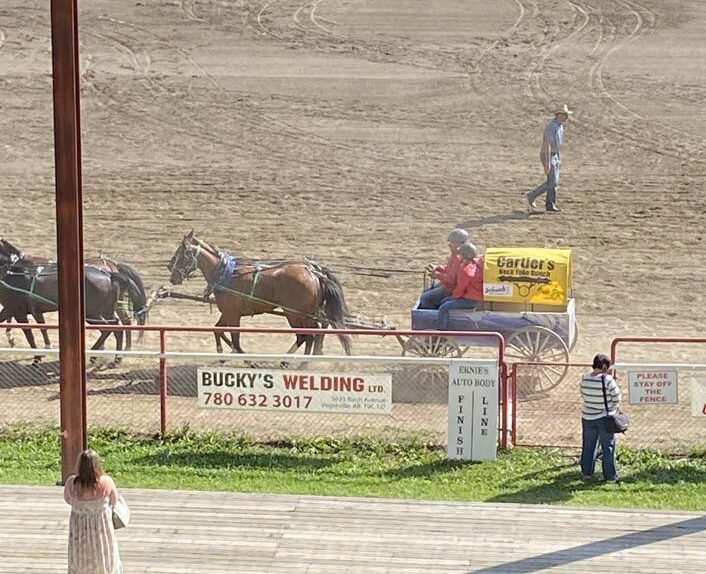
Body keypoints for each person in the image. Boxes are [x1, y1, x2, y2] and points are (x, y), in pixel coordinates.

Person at [64, 449, 124, 574]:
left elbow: (68, 500)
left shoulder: (71, 483)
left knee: (79, 562)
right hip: (101, 531)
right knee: (105, 561)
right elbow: (114, 500)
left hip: (79, 533)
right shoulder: (106, 482)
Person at [579, 354, 621, 481]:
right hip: (605, 417)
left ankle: (587, 472)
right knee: (608, 446)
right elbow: (617, 397)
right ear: (604, 366)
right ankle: (610, 475)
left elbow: (583, 392)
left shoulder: (584, 378)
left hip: (587, 416)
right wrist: (611, 407)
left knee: (588, 445)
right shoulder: (607, 380)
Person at [526, 104, 573, 213]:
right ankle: (532, 195)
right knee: (552, 182)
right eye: (565, 115)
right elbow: (547, 144)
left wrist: (557, 158)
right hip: (548, 154)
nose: (566, 117)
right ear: (559, 115)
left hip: (555, 155)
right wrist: (547, 162)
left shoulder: (559, 126)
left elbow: (556, 144)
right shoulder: (551, 126)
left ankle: (550, 204)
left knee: (554, 181)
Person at [436, 242, 483, 330]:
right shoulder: (473, 265)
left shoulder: (465, 270)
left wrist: (453, 296)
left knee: (443, 307)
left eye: (460, 254)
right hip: (473, 298)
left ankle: (441, 332)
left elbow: (460, 289)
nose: (458, 256)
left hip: (469, 300)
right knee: (445, 301)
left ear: (464, 256)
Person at [418, 228, 469, 310]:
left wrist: (437, 275)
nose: (449, 245)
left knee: (425, 298)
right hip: (448, 285)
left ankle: (432, 319)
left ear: (459, 244)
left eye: (452, 242)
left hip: (451, 288)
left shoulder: (460, 258)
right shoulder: (455, 254)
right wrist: (437, 267)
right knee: (426, 292)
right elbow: (449, 269)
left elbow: (452, 280)